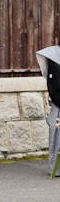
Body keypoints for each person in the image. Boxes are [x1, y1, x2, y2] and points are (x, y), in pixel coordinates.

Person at [36, 43, 60, 176]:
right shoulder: (54, 56)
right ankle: (55, 168)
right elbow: (54, 84)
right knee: (56, 136)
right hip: (58, 101)